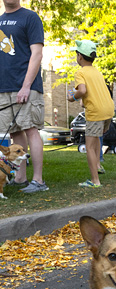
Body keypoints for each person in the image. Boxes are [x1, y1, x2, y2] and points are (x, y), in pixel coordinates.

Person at [0, 0, 48, 193]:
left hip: (26, 85)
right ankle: (20, 178)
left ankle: (38, 181)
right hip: (4, 87)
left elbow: (37, 54)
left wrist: (26, 86)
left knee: (31, 129)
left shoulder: (30, 17)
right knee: (14, 132)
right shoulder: (0, 20)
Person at [67, 39, 114, 188]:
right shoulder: (97, 72)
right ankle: (98, 165)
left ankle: (95, 181)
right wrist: (84, 101)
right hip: (108, 110)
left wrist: (72, 97)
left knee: (89, 146)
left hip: (96, 113)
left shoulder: (80, 72)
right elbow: (95, 93)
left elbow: (82, 90)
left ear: (80, 56)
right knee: (96, 140)